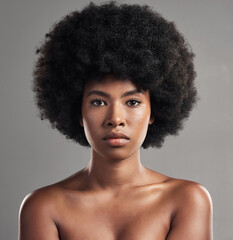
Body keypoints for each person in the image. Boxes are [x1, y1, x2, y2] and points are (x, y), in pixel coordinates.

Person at [18, 1, 213, 239]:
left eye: (132, 102)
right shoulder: (43, 207)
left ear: (154, 111)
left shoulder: (187, 200)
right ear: (77, 111)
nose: (115, 119)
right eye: (98, 102)